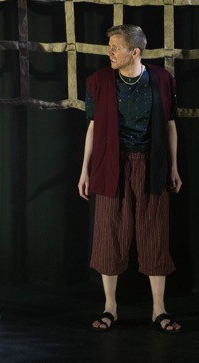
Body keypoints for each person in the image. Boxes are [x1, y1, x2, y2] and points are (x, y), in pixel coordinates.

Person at [78, 24, 182, 333]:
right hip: (112, 163)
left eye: (116, 48)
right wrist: (84, 170)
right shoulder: (99, 81)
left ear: (134, 52)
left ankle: (159, 309)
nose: (109, 52)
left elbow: (170, 125)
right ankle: (110, 307)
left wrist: (174, 168)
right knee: (109, 233)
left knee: (154, 234)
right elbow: (93, 127)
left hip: (152, 163)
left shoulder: (162, 80)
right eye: (109, 47)